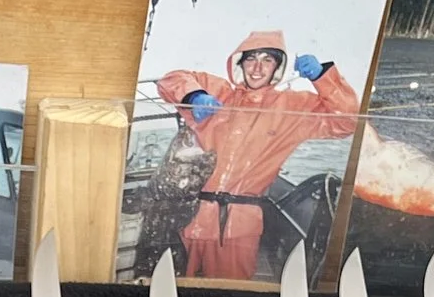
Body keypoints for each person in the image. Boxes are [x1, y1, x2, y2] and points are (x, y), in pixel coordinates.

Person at [154, 32, 359, 280]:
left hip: (240, 227)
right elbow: (170, 80)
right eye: (251, 59)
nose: (258, 68)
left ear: (278, 68)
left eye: (268, 60)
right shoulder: (220, 92)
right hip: (190, 217)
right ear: (239, 63)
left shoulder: (293, 108)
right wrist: (193, 96)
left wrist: (323, 77)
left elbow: (347, 122)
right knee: (178, 288)